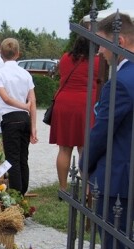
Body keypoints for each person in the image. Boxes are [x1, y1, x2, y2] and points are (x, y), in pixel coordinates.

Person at [80, 12, 134, 249]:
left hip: (118, 176)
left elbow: (101, 133)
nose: (98, 50)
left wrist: (85, 165)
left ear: (120, 41)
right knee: (119, 244)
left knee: (117, 246)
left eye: (101, 43)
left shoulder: (122, 82)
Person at [49, 35, 99, 193]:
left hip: (63, 104)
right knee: (84, 148)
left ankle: (63, 188)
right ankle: (86, 190)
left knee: (64, 149)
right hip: (86, 104)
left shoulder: (64, 58)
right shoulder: (97, 62)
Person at [0, 38, 37, 195]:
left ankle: (16, 196)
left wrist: (23, 105)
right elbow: (33, 101)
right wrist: (34, 127)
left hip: (10, 118)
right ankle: (22, 192)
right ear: (18, 54)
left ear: (1, 54)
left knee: (12, 160)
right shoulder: (25, 74)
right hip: (25, 119)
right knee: (24, 158)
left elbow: (6, 98)